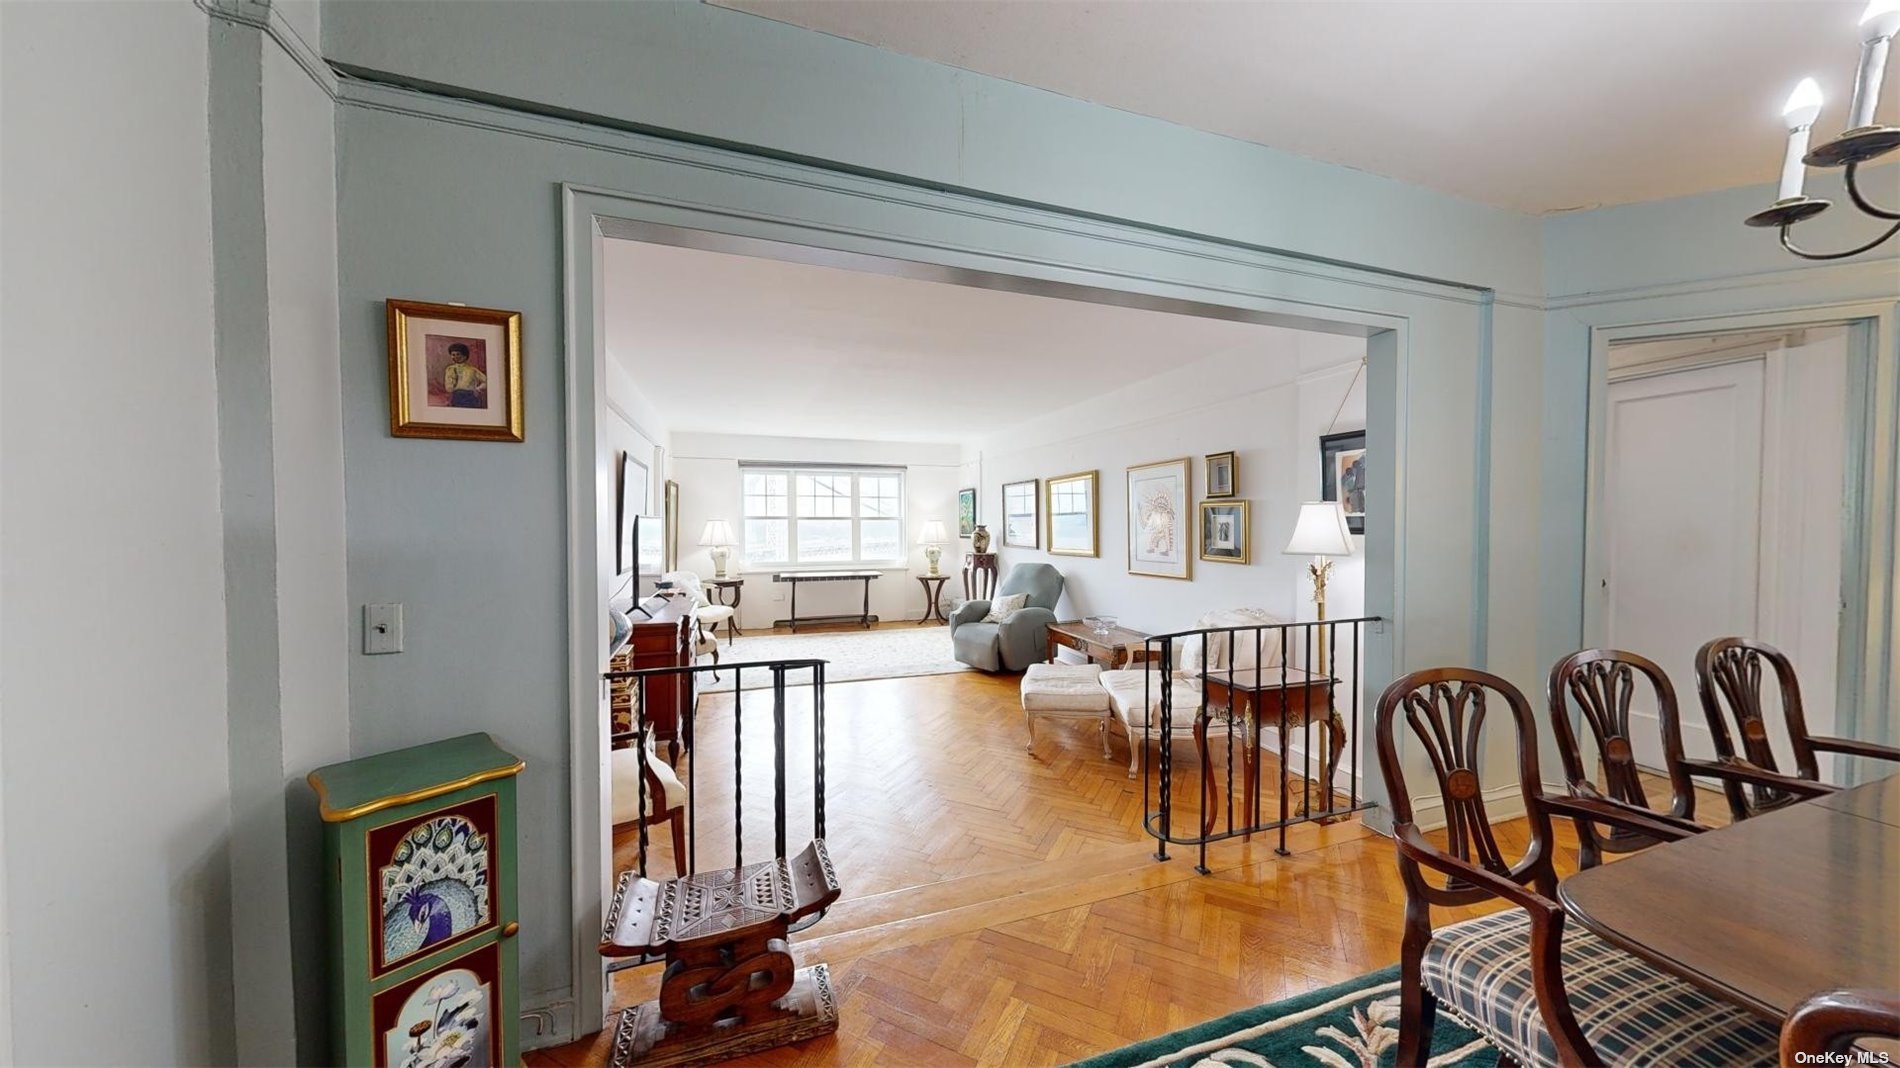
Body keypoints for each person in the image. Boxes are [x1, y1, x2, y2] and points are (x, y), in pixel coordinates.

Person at [443, 342, 486, 408]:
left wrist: (478, 389)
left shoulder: (472, 370)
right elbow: (449, 388)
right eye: (453, 355)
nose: (455, 357)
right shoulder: (449, 369)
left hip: (471, 397)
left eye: (458, 354)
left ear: (464, 356)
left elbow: (486, 381)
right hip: (456, 396)